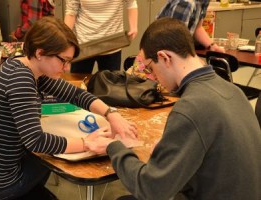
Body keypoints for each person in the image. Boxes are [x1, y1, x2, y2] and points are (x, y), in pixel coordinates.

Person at [0, 16, 137, 200]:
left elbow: (75, 94)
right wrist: (87, 143)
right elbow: (36, 141)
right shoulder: (21, 80)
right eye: (63, 60)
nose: (67, 68)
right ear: (40, 52)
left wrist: (112, 114)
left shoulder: (26, 65)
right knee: (53, 158)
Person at [85, 17, 261, 200]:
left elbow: (150, 190)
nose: (152, 78)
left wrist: (114, 147)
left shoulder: (190, 107)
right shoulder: (234, 91)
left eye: (151, 69)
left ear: (164, 57)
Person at [64, 0, 138, 74]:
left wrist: (133, 27)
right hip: (84, 44)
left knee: (110, 83)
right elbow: (71, 12)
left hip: (112, 44)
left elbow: (131, 3)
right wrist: (65, 40)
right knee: (78, 83)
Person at [156, 0, 224, 53]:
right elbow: (174, 40)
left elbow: (197, 28)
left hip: (174, 49)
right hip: (161, 52)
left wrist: (212, 46)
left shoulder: (202, 2)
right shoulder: (186, 3)